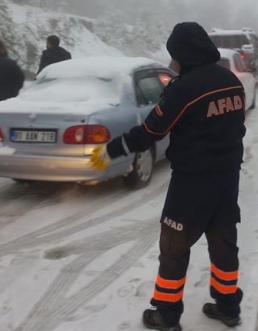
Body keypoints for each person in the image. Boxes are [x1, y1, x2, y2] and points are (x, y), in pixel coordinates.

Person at [90, 22, 246, 331]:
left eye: (174, 53)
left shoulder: (184, 88)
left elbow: (152, 130)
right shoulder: (231, 81)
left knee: (173, 248)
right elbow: (238, 126)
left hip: (192, 183)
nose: (171, 60)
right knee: (224, 242)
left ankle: (167, 314)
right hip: (228, 178)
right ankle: (229, 307)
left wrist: (112, 149)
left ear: (183, 54)